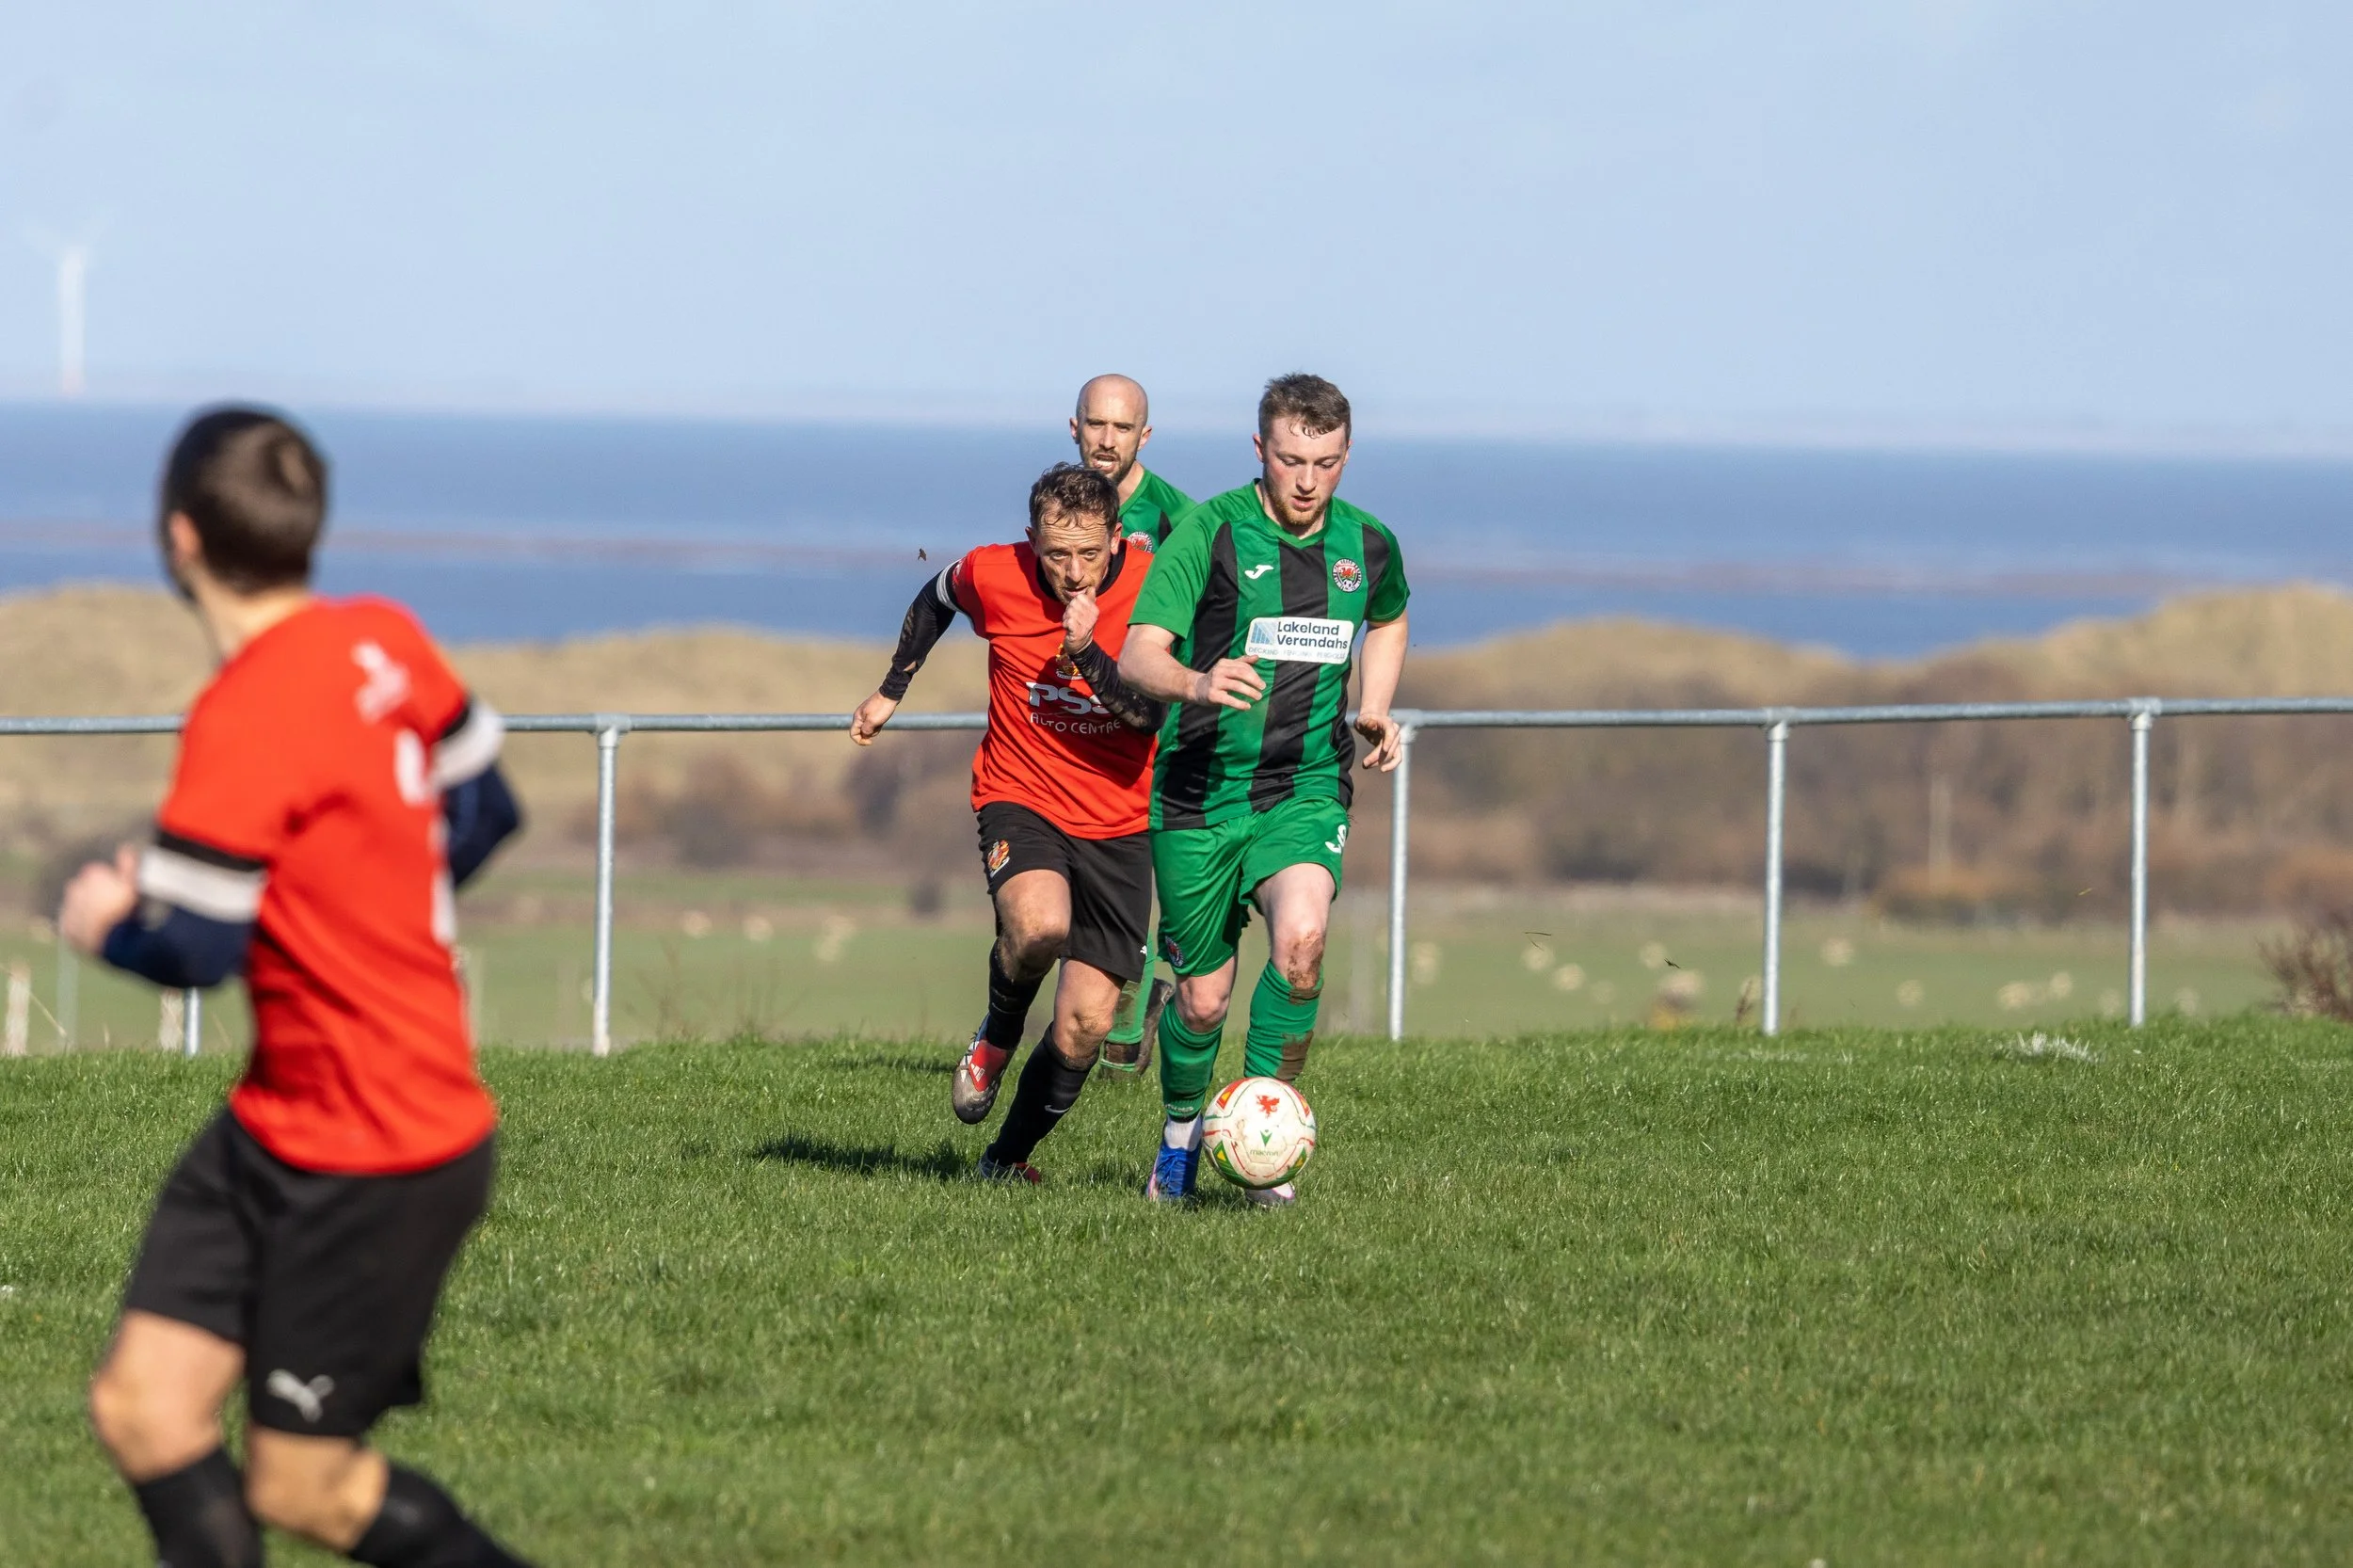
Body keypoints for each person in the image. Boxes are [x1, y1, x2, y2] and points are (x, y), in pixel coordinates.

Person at [64, 408, 533, 1568]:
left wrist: (108, 924)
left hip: (381, 1151)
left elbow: (195, 954)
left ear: (178, 539)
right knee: (143, 1409)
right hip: (277, 1126)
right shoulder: (383, 637)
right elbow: (486, 808)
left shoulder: (242, 714)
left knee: (304, 1487)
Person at [1116, 374, 1410, 1206]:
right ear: (1260, 451)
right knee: (1204, 1002)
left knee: (1303, 944)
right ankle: (1180, 1134)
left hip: (1304, 788)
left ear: (1347, 454)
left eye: (1325, 462)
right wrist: (1199, 685)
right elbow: (1140, 653)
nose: (1308, 480)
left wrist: (1377, 707)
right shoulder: (1208, 534)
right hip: (1197, 797)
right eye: (1290, 460)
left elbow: (1387, 616)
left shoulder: (1369, 545)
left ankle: (1264, 1151)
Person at [850, 462, 1164, 1180]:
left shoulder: (1154, 590)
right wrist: (891, 689)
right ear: (1032, 541)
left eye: (1090, 553)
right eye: (1057, 555)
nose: (1074, 571)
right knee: (1039, 927)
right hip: (1020, 794)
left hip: (1122, 823)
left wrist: (1086, 654)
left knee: (1085, 1023)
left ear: (1118, 539)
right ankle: (997, 1032)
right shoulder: (998, 573)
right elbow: (936, 596)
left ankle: (1004, 1161)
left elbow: (1150, 716)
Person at [1069, 373, 1192, 1071]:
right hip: (1080, 721)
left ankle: (1132, 1021)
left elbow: (1215, 610)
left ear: (1144, 435)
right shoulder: (1063, 502)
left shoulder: (1179, 517)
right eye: (1096, 424)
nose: (1106, 440)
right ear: (1075, 426)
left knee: (1146, 871)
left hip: (1156, 724)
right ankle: (1119, 1010)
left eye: (1122, 428)